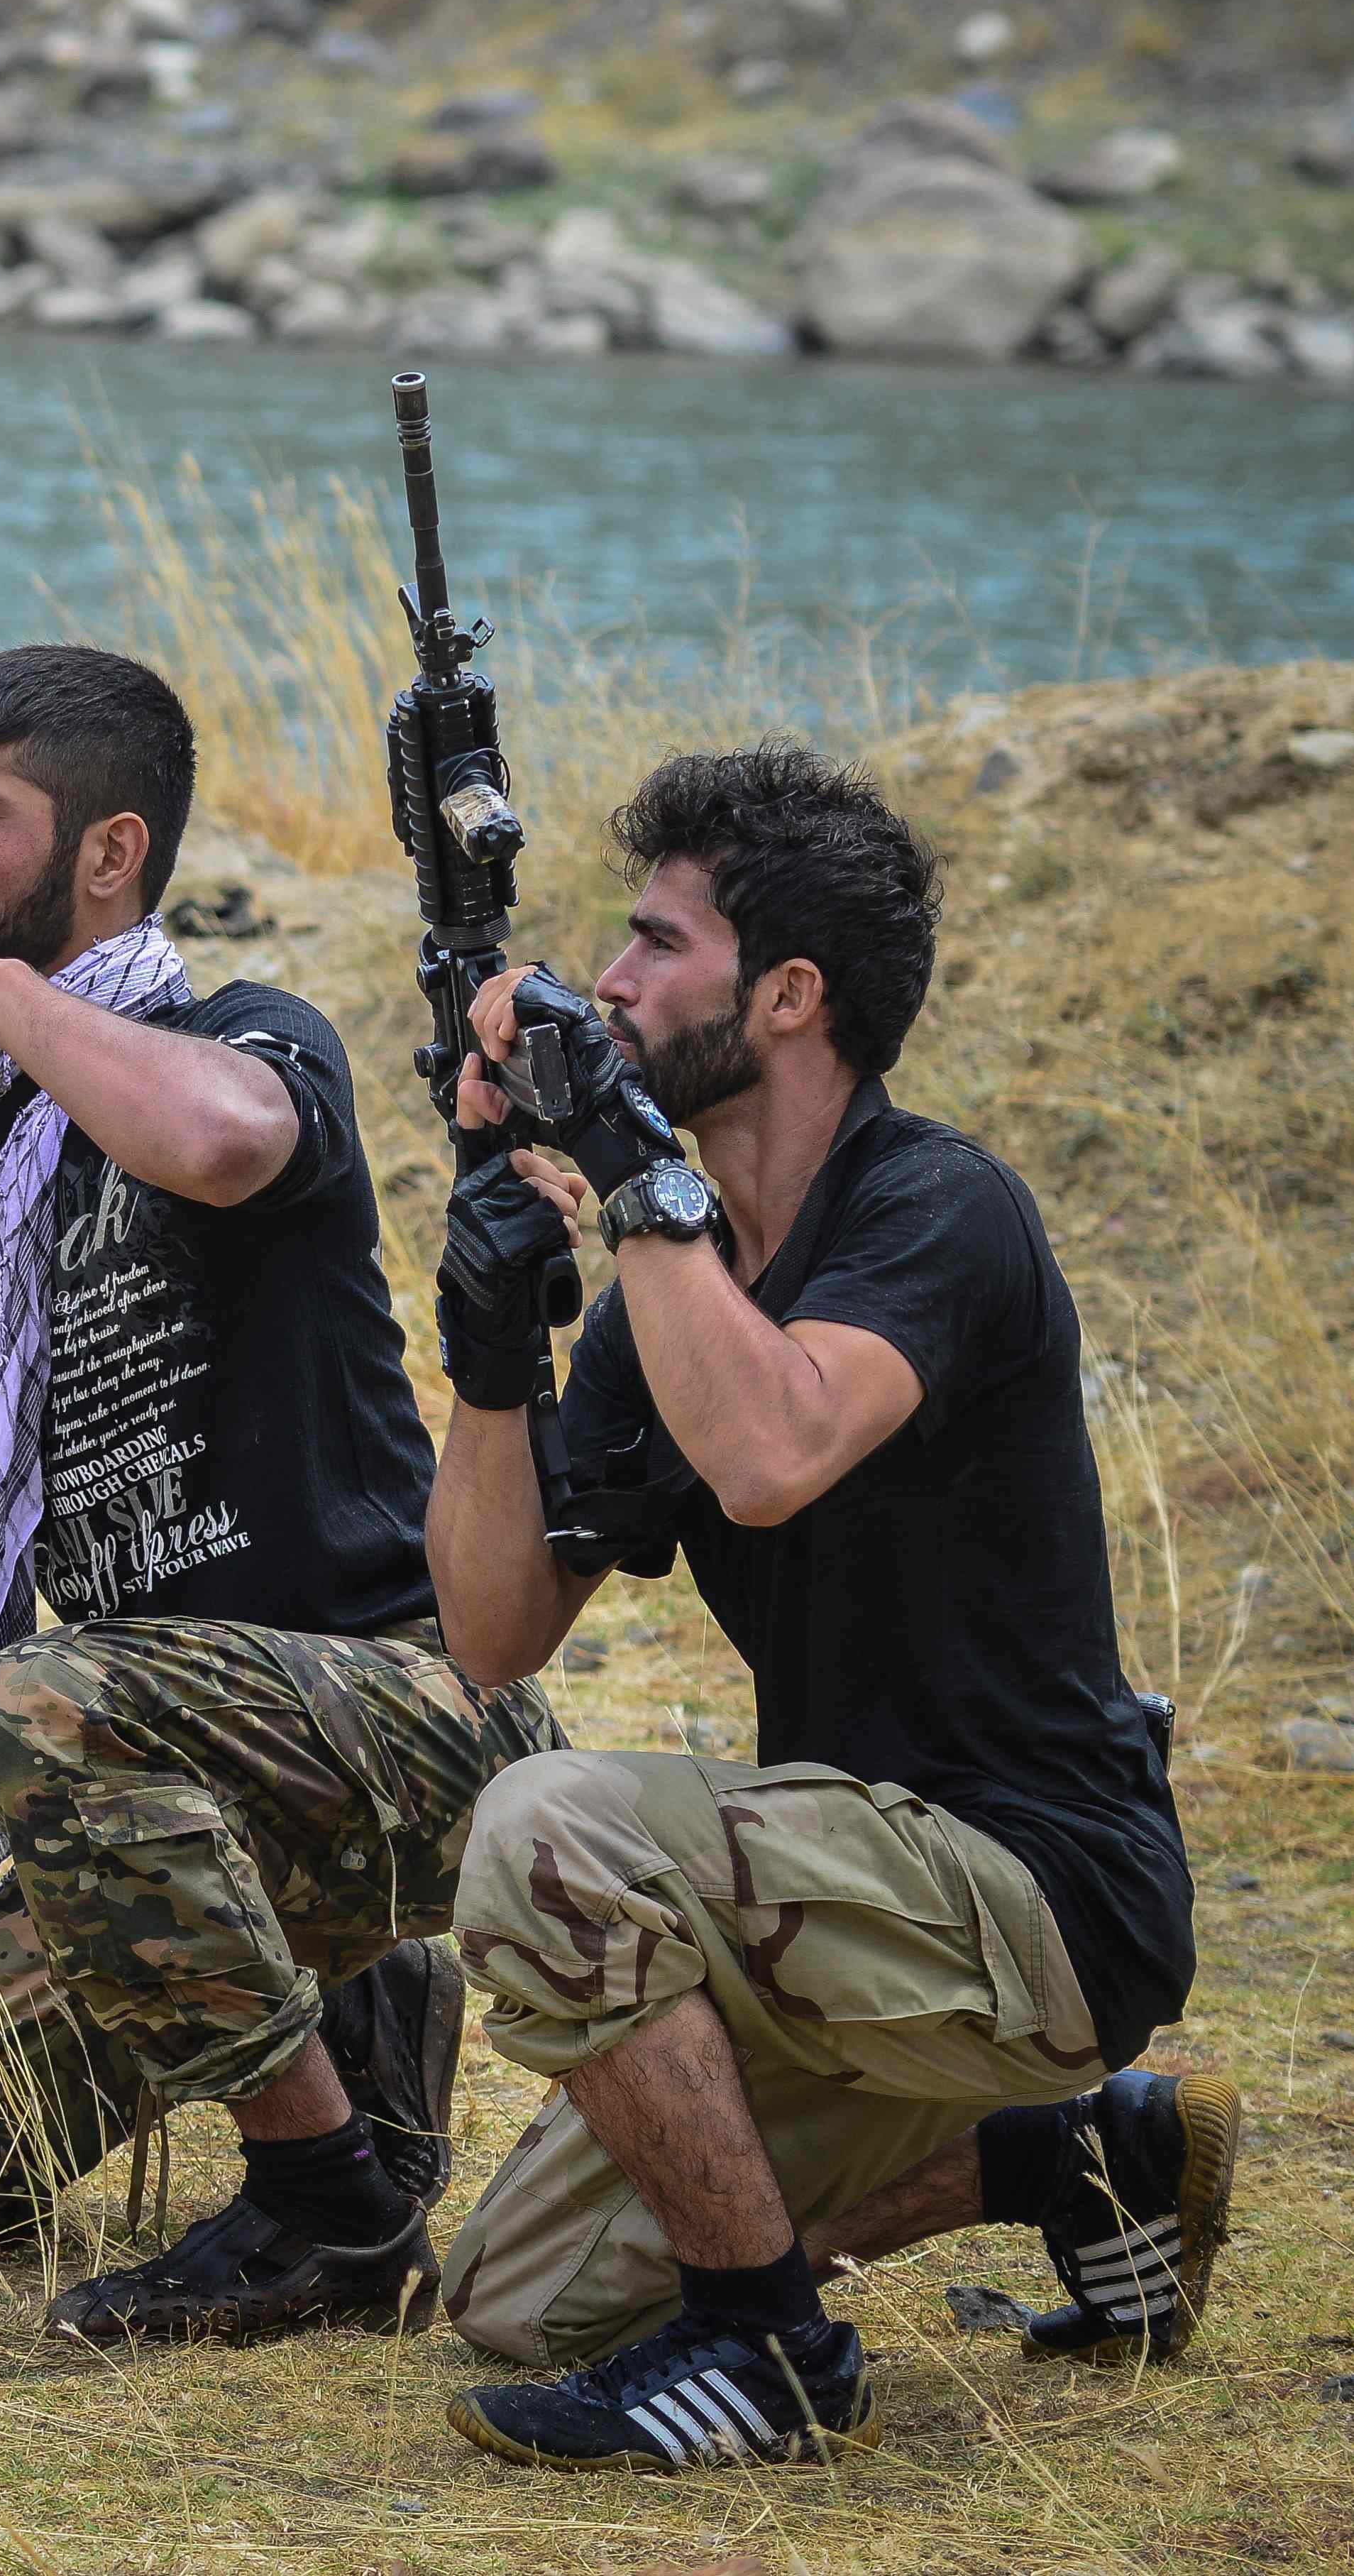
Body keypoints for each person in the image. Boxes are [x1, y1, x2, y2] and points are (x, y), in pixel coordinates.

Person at [422, 747, 1208, 2472]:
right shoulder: (671, 1281)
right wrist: (490, 1355)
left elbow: (772, 1449)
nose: (608, 982)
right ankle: (1071, 2155)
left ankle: (767, 2347)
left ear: (788, 995)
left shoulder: (939, 1205)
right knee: (519, 2296)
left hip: (1039, 1887)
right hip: (837, 1913)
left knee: (549, 1822)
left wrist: (633, 1171)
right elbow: (490, 1632)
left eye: (656, 943)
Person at [0, 645, 550, 2330]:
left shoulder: (238, 1031)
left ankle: (329, 2208)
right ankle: (330, 2001)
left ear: (109, 851)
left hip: (406, 1712)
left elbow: (226, 1142)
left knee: (47, 1696)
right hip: (139, 1788)